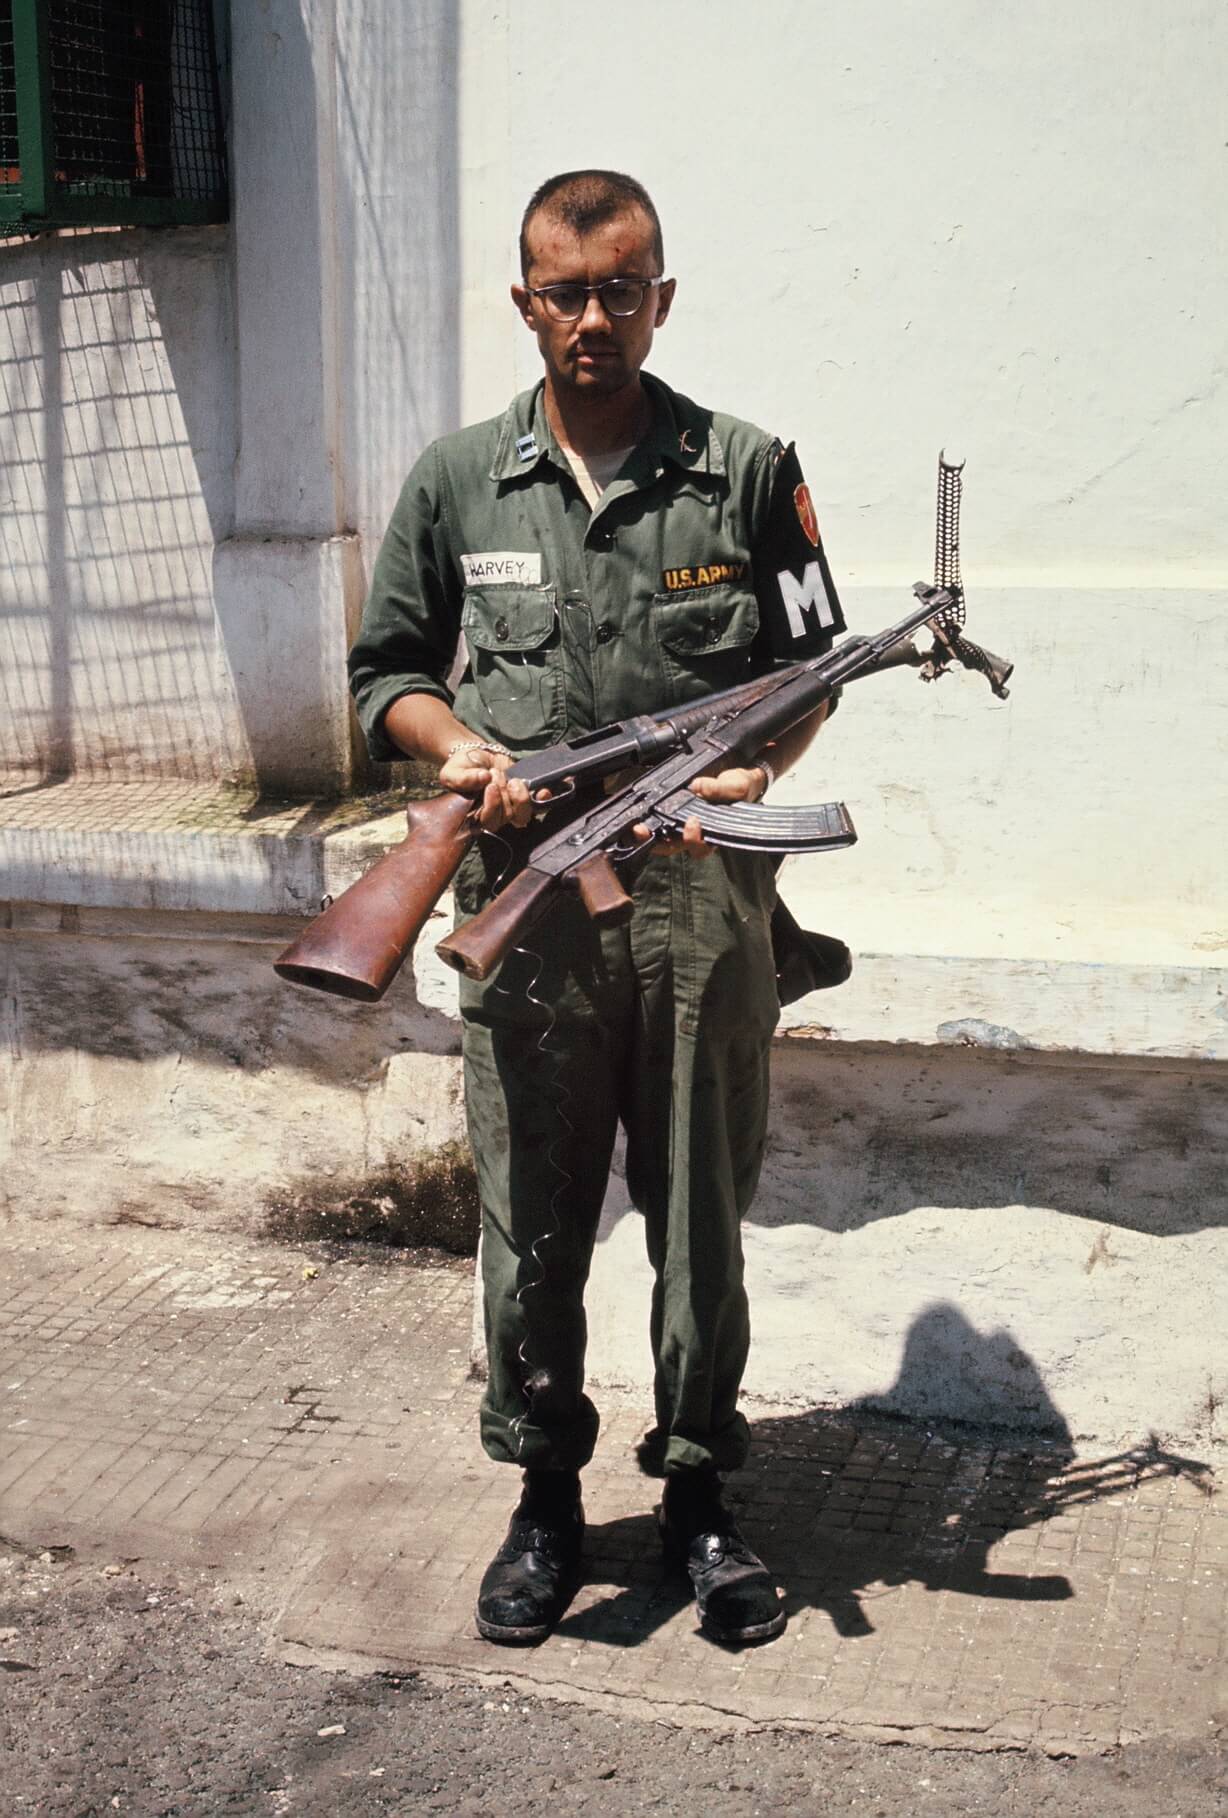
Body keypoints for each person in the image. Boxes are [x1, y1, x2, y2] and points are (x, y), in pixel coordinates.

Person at [348, 171, 846, 1647]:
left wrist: (767, 754)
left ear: (661, 299)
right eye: (564, 292)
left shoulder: (747, 470)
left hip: (701, 912)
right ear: (525, 304)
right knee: (534, 1223)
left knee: (701, 1215)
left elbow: (816, 654)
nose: (592, 319)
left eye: (620, 289)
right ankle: (546, 1499)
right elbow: (387, 674)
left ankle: (698, 1496)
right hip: (530, 916)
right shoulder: (454, 481)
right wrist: (462, 754)